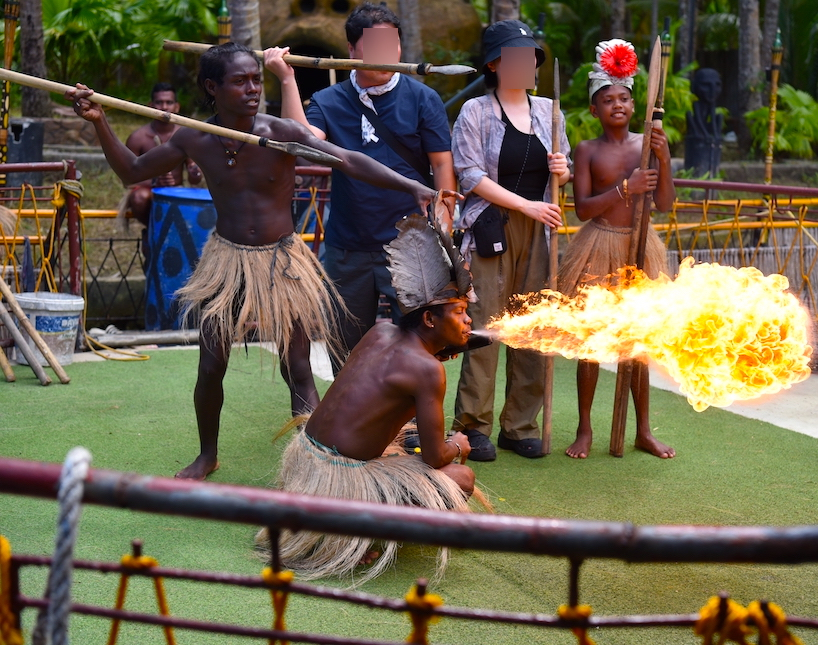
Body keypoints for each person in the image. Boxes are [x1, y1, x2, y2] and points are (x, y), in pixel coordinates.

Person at [66, 42, 446, 480]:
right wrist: (99, 122)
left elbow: (347, 159)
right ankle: (207, 454)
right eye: (240, 81)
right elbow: (133, 171)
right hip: (225, 261)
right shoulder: (194, 136)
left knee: (298, 367)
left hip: (283, 260)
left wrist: (412, 186)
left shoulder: (280, 131)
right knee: (210, 366)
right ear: (212, 87)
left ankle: (316, 462)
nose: (252, 89)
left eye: (255, 79)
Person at [256, 213, 477, 582]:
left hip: (307, 459)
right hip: (343, 478)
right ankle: (358, 535)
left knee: (405, 438)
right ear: (429, 320)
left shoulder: (381, 332)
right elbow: (437, 457)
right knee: (462, 478)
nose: (468, 320)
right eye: (459, 312)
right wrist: (457, 444)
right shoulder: (427, 371)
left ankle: (340, 530)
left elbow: (381, 388)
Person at [263, 2, 457, 372]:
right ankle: (349, 426)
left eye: (393, 44)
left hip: (412, 244)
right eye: (376, 45)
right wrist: (287, 79)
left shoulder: (422, 98)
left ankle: (414, 428)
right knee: (345, 348)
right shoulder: (329, 100)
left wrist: (445, 225)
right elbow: (302, 144)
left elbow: (442, 163)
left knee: (420, 346)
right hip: (348, 247)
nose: (388, 54)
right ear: (352, 50)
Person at [450, 20, 571, 461]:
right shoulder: (476, 112)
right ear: (495, 64)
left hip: (541, 231)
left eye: (531, 56)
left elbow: (566, 168)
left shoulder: (550, 112)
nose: (527, 63)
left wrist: (562, 170)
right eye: (516, 56)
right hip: (492, 226)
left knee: (533, 325)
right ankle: (472, 427)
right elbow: (470, 175)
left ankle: (520, 425)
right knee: (485, 325)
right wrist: (526, 206)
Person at [557, 39, 676, 459]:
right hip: (599, 244)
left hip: (641, 248)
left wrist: (663, 162)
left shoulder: (650, 142)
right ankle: (585, 428)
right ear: (594, 109)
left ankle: (642, 430)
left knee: (638, 341)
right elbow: (582, 209)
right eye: (607, 100)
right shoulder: (587, 150)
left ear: (635, 104)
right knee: (590, 341)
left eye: (625, 98)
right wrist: (625, 188)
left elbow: (663, 203)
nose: (618, 105)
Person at [121, 83, 203, 253]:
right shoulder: (138, 138)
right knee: (138, 197)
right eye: (159, 103)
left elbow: (194, 177)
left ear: (177, 106)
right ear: (151, 106)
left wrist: (196, 172)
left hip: (178, 191)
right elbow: (127, 179)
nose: (164, 107)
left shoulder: (186, 135)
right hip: (149, 193)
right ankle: (153, 231)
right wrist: (154, 181)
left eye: (169, 102)